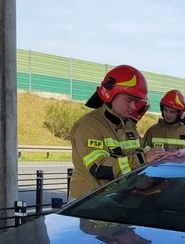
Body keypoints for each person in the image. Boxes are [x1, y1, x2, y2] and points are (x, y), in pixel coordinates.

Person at [68, 65, 167, 199]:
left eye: (136, 101)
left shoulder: (128, 124)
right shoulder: (88, 125)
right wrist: (142, 159)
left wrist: (161, 155)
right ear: (110, 94)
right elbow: (100, 168)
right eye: (129, 100)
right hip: (88, 202)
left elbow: (142, 149)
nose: (133, 107)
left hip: (116, 198)